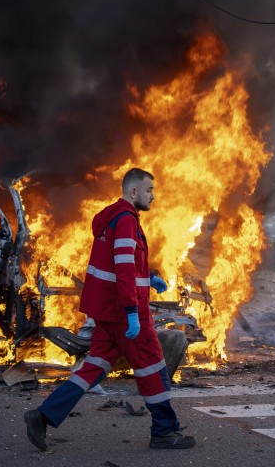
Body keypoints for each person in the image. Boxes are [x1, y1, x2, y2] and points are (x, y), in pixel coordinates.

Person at [23, 168, 195, 452]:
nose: (154, 195)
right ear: (134, 192)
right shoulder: (127, 220)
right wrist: (131, 312)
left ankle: (43, 416)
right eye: (150, 190)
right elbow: (124, 268)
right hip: (125, 314)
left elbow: (121, 264)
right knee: (154, 368)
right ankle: (164, 432)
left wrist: (147, 278)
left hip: (106, 312)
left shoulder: (113, 217)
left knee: (93, 367)